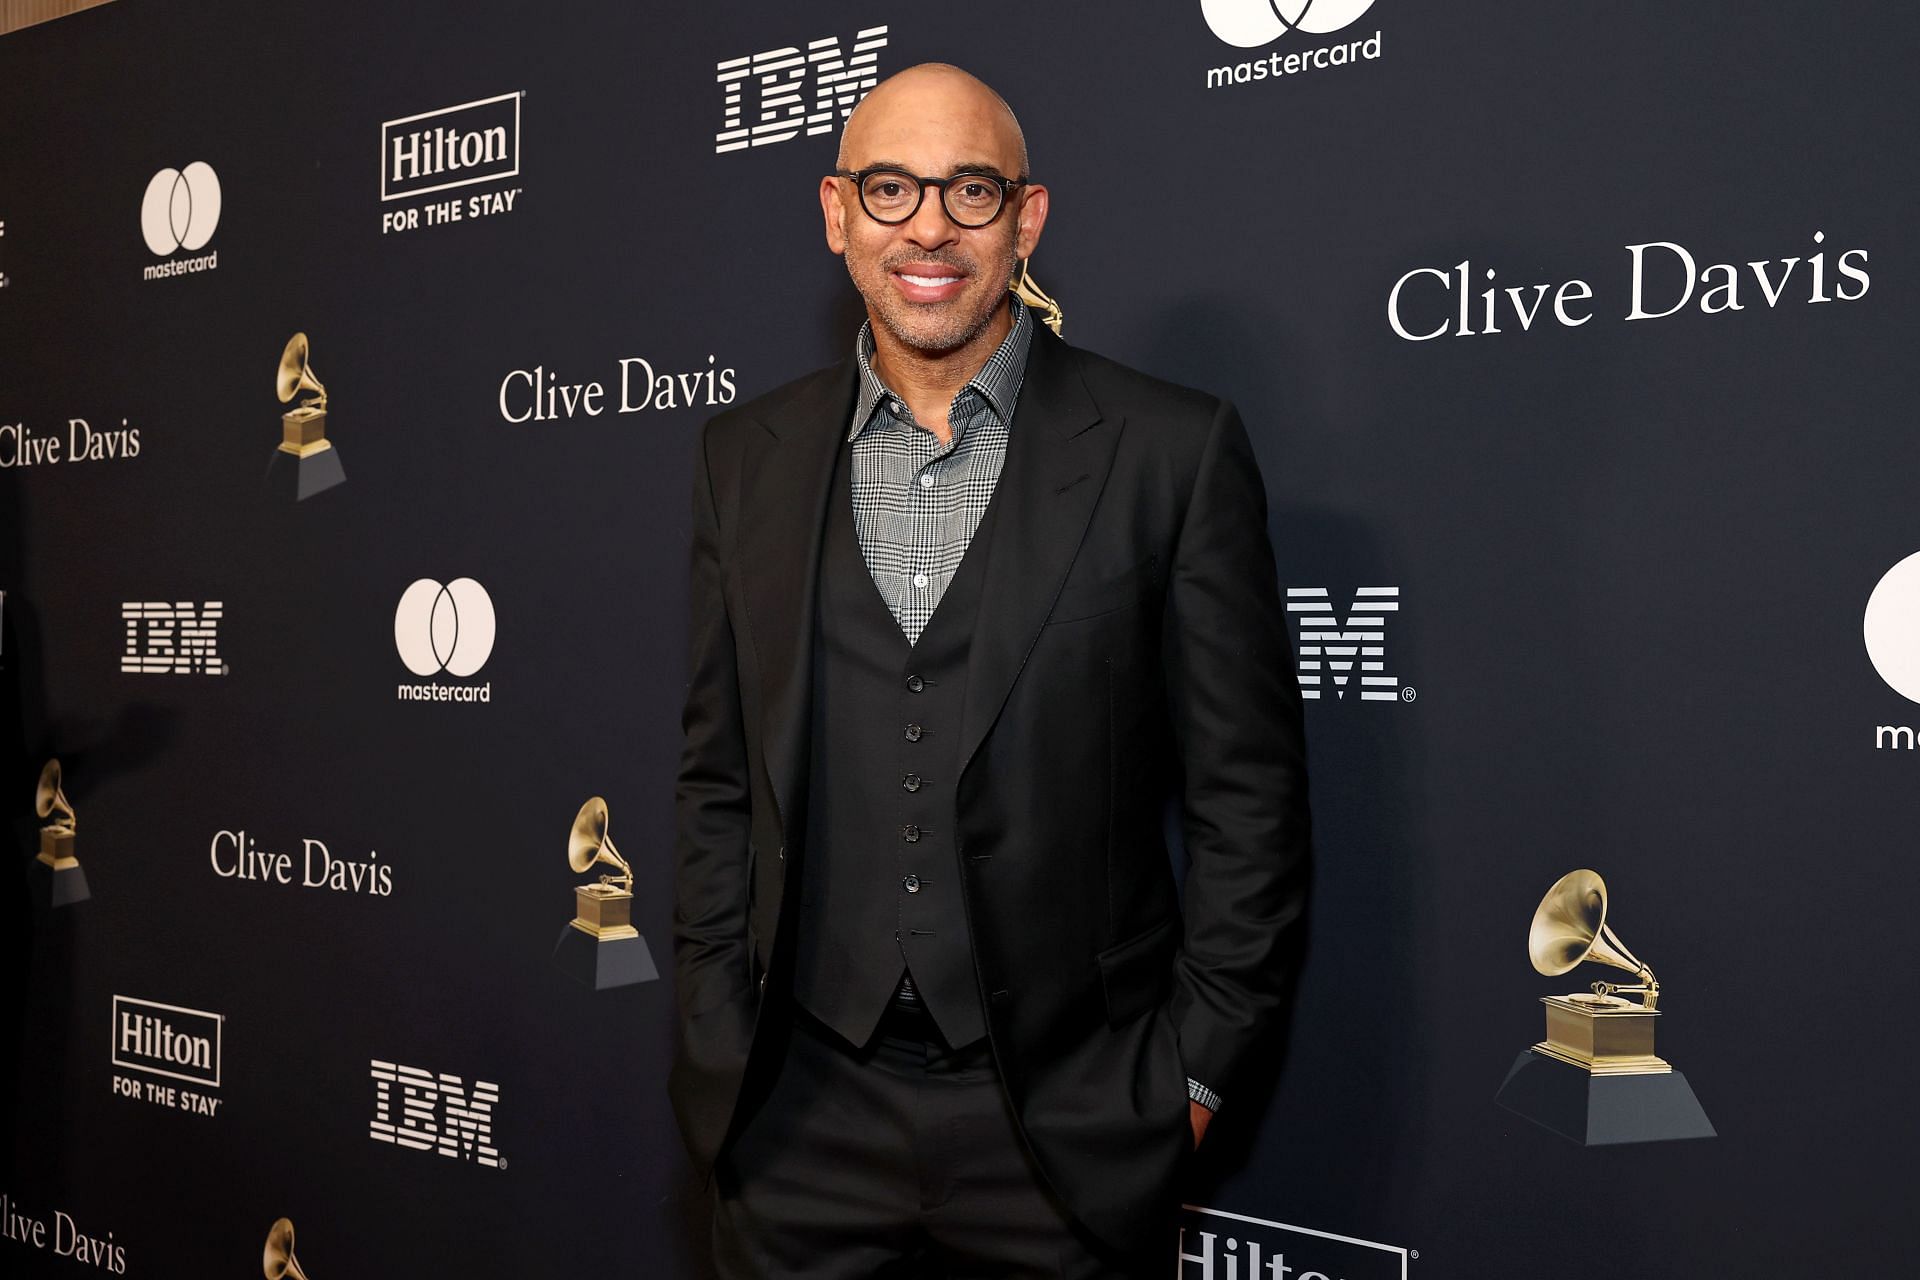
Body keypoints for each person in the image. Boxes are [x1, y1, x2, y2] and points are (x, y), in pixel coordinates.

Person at [669, 62, 1311, 1278]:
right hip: (798, 1115)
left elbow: (1250, 804)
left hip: (1071, 1127)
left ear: (1027, 219)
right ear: (835, 212)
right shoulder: (739, 458)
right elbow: (715, 780)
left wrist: (1192, 1076)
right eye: (891, 187)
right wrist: (715, 1036)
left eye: (970, 189)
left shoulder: (1171, 452)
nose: (928, 225)